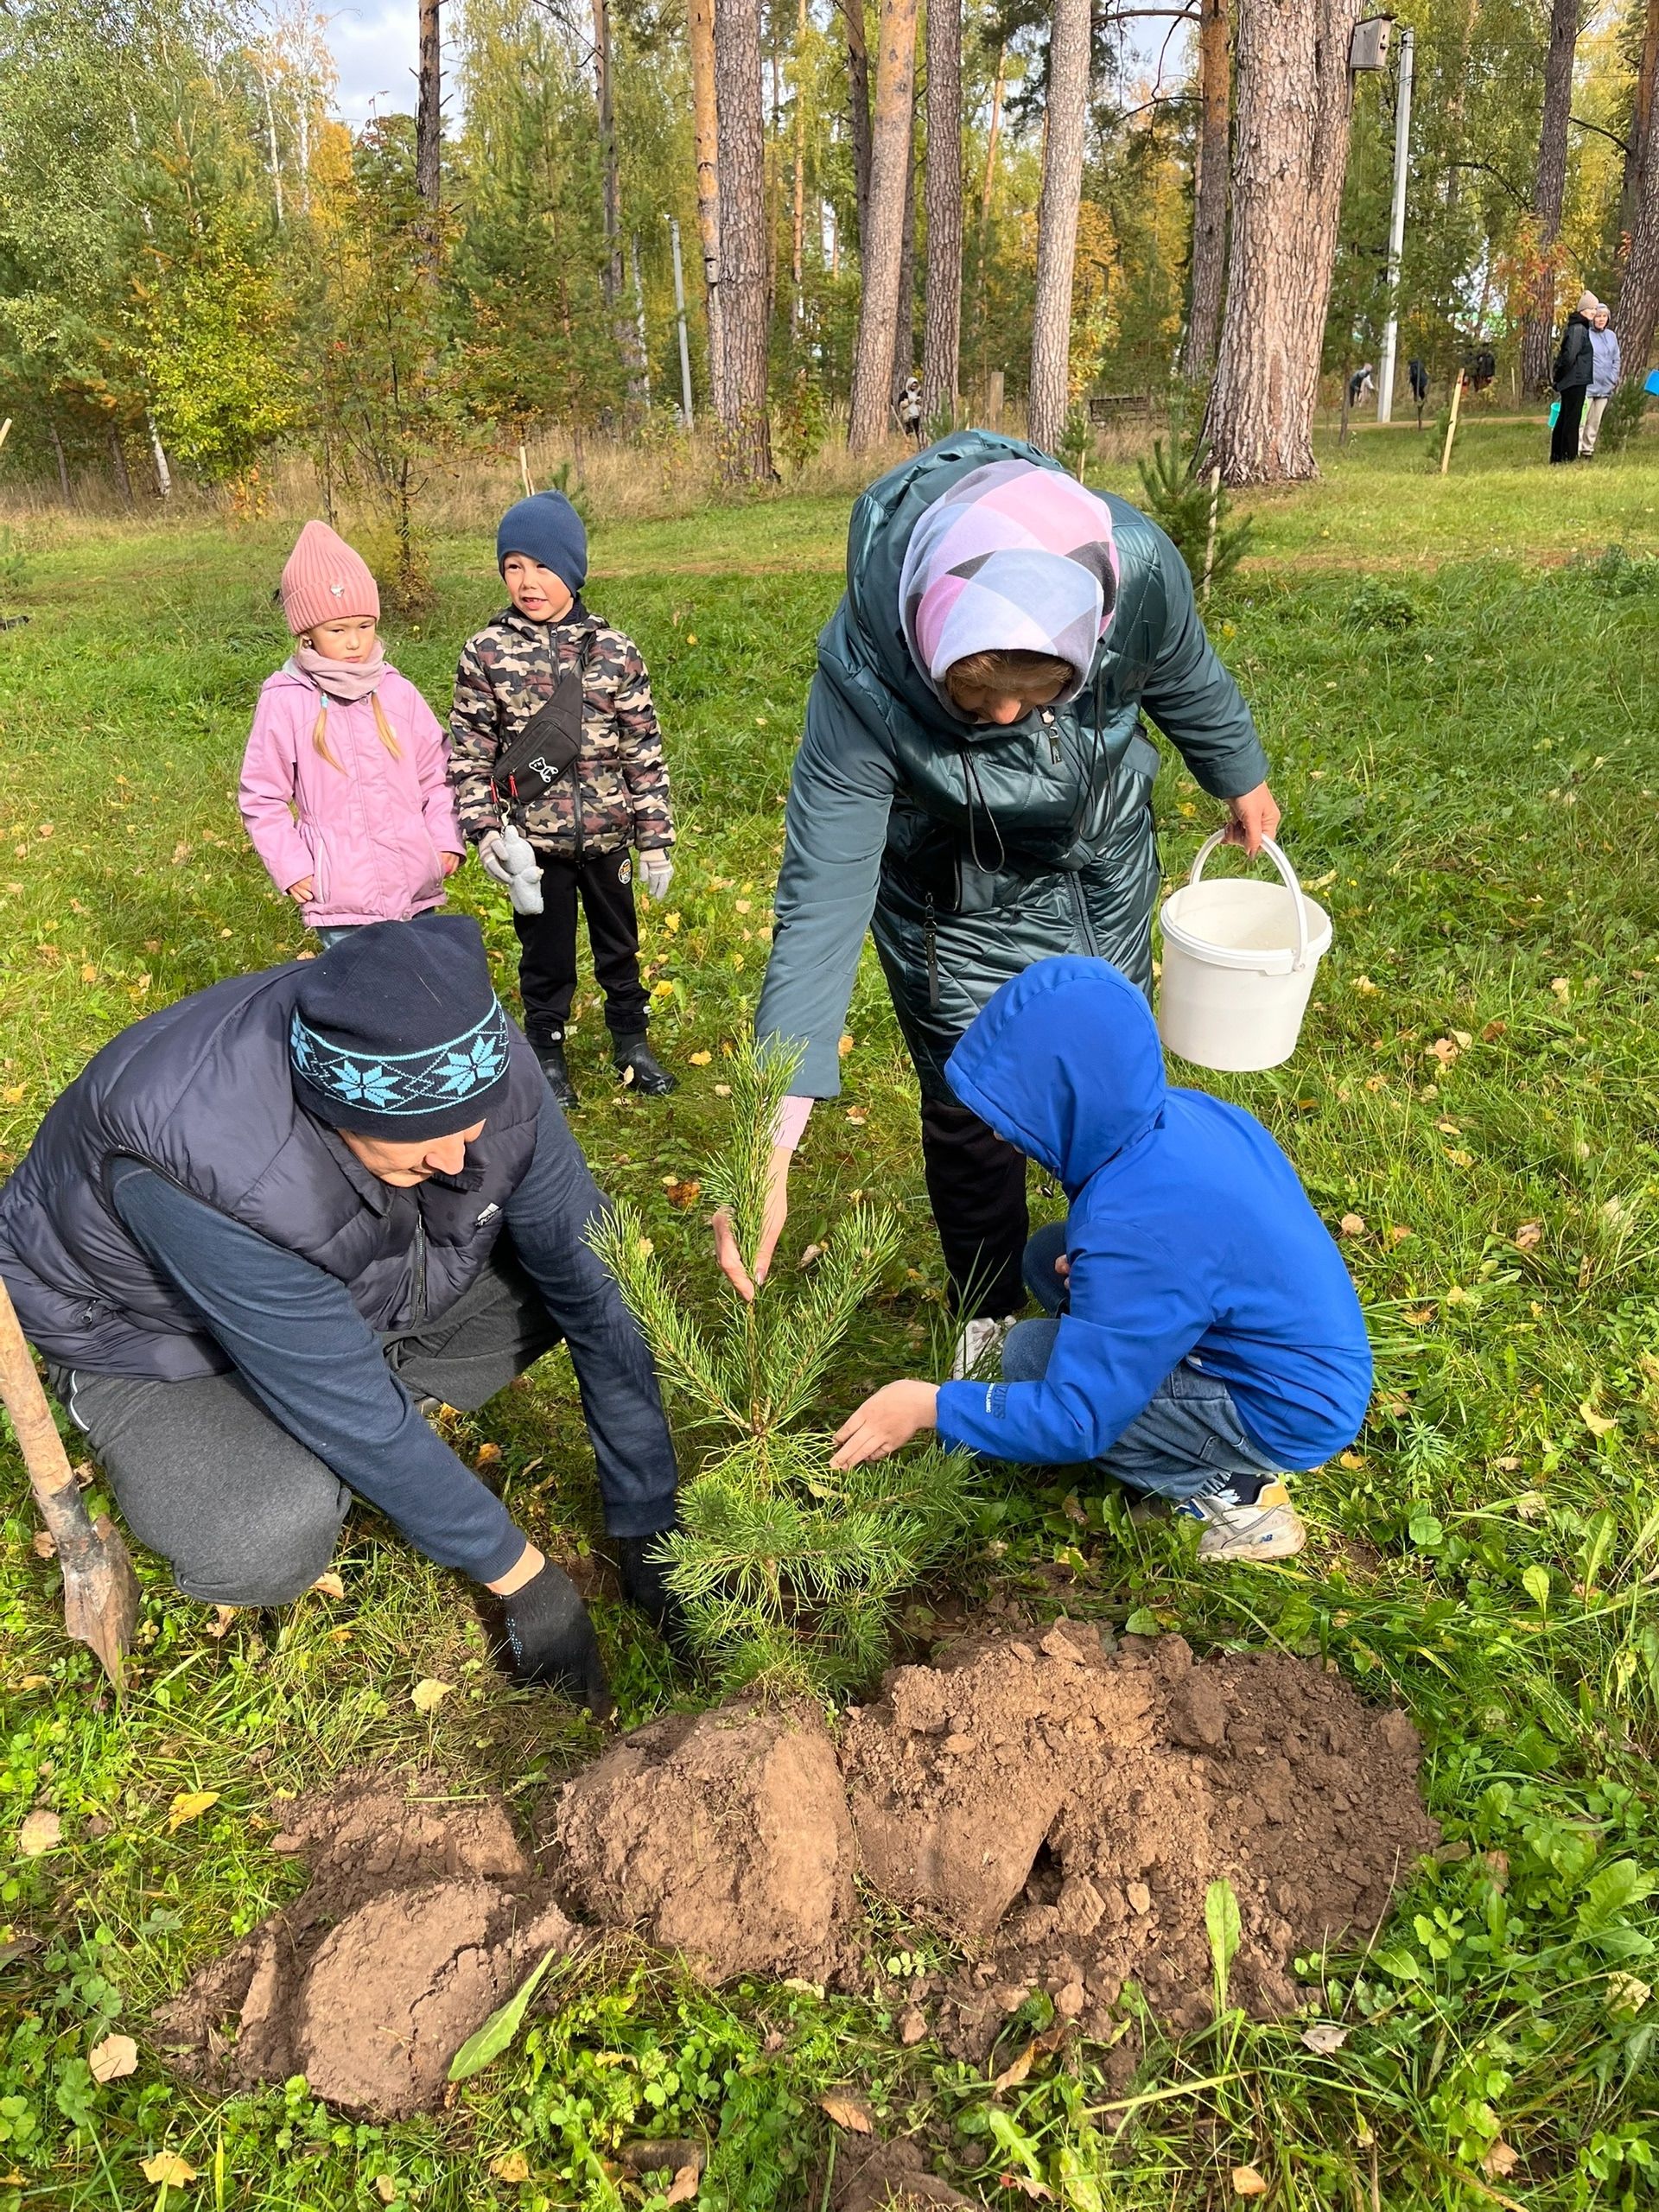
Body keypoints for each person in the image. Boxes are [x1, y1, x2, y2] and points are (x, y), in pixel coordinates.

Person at [0, 916, 682, 1712]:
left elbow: (592, 1284)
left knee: (569, 1278)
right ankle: (308, 1443)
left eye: (469, 1126)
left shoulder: (477, 1060)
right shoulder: (197, 1161)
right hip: (153, 1338)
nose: (457, 1160)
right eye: (420, 1140)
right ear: (336, 1109)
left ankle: (362, 1435)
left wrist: (648, 1516)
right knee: (262, 1535)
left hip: (350, 1276)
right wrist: (528, 1582)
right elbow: (347, 1401)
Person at [727, 434, 1278, 1378]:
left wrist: (1240, 772)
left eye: (1038, 693)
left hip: (1098, 871)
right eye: (980, 698)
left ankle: (1117, 1295)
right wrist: (769, 1136)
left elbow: (1185, 671)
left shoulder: (1136, 571)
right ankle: (986, 1315)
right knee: (973, 1114)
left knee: (1111, 1093)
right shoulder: (865, 675)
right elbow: (821, 895)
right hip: (953, 902)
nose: (1010, 718)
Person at [829, 958, 1373, 1564]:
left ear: (1067, 1100)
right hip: (1291, 1346)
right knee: (1048, 1254)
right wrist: (1118, 1280)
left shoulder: (1132, 1231)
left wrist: (932, 1406)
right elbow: (1188, 1251)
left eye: (1013, 1111)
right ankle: (1189, 1400)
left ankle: (1231, 1494)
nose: (996, 1132)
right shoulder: (1180, 1115)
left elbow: (1076, 1418)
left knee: (1029, 1357)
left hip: (1286, 1409)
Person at [449, 489, 676, 1109]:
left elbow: (643, 749)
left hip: (608, 837)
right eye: (514, 566)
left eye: (544, 566)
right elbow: (470, 751)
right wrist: (486, 834)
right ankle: (546, 1053)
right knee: (544, 956)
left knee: (620, 947)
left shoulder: (614, 651)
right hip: (534, 846)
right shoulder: (485, 652)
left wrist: (654, 839)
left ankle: (632, 1043)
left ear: (574, 570)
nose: (528, 582)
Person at [239, 521, 463, 949]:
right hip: (342, 896)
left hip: (414, 886)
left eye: (364, 625)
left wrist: (444, 838)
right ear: (307, 633)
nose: (355, 642)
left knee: (419, 981)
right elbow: (262, 796)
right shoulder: (286, 701)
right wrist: (293, 865)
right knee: (359, 987)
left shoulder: (397, 692)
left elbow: (438, 773)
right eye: (337, 630)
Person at [1551, 292, 1597, 464]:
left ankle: (1558, 457)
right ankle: (1568, 457)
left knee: (1565, 417)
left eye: (1595, 308)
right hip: (1574, 380)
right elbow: (1570, 356)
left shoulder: (1580, 327)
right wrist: (1560, 376)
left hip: (1574, 379)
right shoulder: (1578, 329)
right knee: (1571, 419)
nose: (1594, 312)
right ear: (1583, 309)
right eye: (1591, 308)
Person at [1581, 301, 1622, 457]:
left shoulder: (1611, 336)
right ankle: (1575, 450)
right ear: (1593, 318)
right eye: (1598, 316)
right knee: (1581, 420)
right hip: (1587, 386)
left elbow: (1616, 359)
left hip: (1605, 387)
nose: (1601, 319)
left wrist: (1612, 379)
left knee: (1595, 421)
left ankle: (1588, 450)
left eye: (1604, 316)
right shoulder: (1586, 334)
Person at [896, 375, 925, 445]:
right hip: (908, 416)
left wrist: (919, 402)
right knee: (909, 431)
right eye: (913, 386)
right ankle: (908, 444)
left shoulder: (918, 393)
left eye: (915, 386)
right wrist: (908, 402)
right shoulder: (905, 394)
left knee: (918, 430)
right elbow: (900, 404)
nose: (914, 387)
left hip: (917, 415)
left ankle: (919, 443)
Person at [1408, 359, 1428, 425]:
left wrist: (1411, 379)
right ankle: (1423, 400)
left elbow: (1414, 374)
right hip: (1423, 381)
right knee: (1421, 391)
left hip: (1417, 382)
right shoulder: (1420, 364)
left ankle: (1417, 402)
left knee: (1417, 391)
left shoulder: (1413, 366)